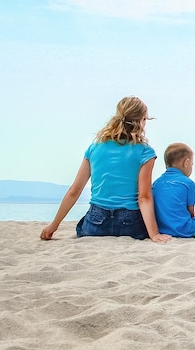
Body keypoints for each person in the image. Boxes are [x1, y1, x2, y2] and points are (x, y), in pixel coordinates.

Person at [40, 96, 172, 243]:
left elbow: (74, 191)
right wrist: (154, 234)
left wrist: (54, 225)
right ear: (140, 121)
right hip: (130, 223)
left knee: (82, 225)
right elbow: (144, 197)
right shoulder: (145, 152)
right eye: (145, 120)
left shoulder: (94, 148)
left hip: (96, 222)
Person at [152, 143, 195, 238]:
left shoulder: (156, 184)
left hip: (162, 229)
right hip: (184, 229)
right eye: (192, 164)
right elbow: (190, 212)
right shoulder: (188, 183)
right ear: (186, 163)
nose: (191, 167)